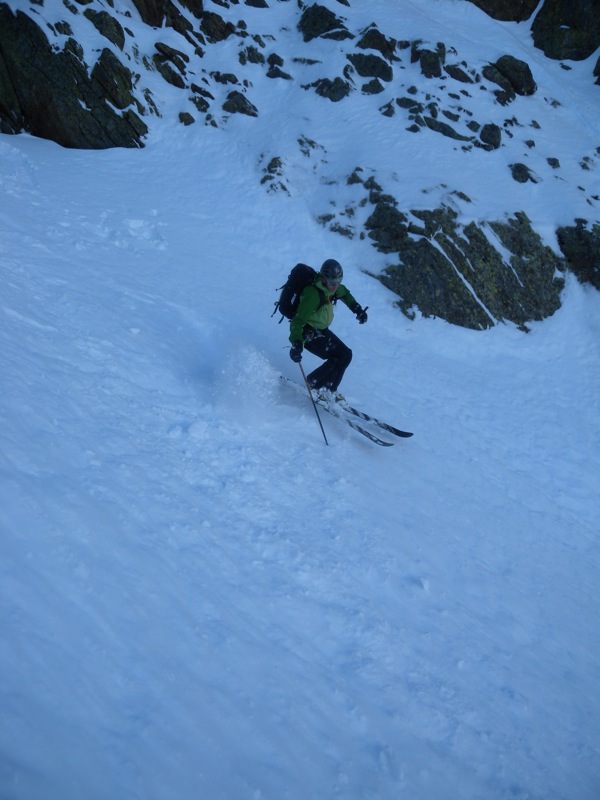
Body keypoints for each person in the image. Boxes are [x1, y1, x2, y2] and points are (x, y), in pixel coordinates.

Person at [289, 259, 368, 397]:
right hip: (307, 334)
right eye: (332, 283)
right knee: (338, 357)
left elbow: (345, 294)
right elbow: (297, 321)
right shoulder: (312, 294)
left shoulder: (333, 288)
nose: (335, 286)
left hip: (322, 331)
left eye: (338, 282)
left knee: (346, 355)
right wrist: (296, 342)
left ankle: (326, 388)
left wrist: (357, 310)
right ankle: (319, 386)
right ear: (323, 279)